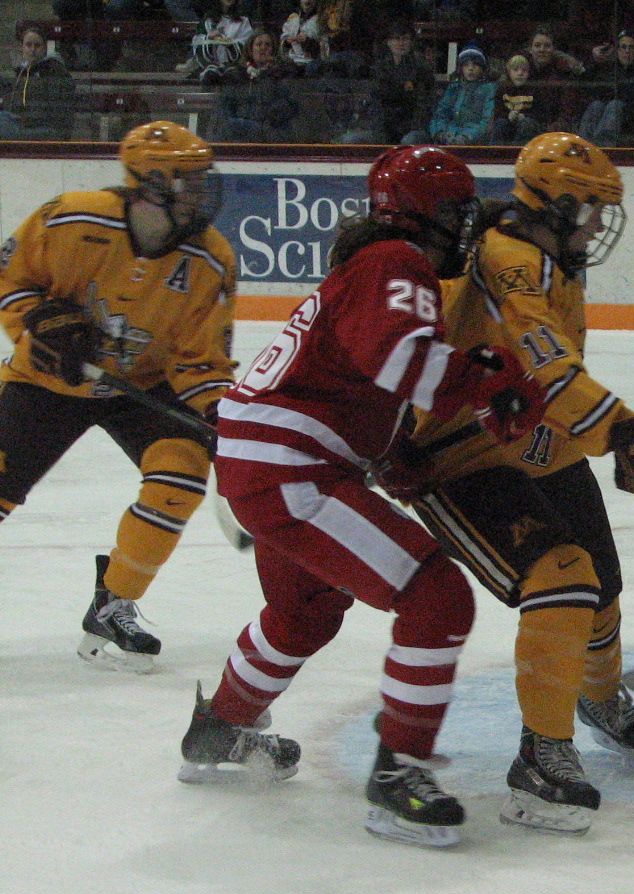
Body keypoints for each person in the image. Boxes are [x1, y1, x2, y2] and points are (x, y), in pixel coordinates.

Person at [178, 145, 549, 849]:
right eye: (454, 211)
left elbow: (355, 372)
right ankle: (397, 776)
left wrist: (390, 449)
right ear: (417, 215)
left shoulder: (371, 266)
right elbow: (398, 359)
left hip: (266, 459)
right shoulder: (396, 262)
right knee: (437, 597)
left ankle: (220, 728)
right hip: (292, 466)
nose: (463, 225)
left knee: (304, 614)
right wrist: (484, 382)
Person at [382, 132, 634, 835]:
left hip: (530, 437)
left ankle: (598, 697)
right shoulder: (511, 259)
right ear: (562, 204)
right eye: (593, 212)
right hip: (464, 452)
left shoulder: (552, 256)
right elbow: (545, 368)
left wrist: (605, 434)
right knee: (563, 579)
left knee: (602, 587)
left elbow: (550, 385)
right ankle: (541, 757)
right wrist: (620, 432)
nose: (600, 226)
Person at [0, 121, 233, 673]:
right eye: (190, 181)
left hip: (145, 385)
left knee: (181, 475)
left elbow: (200, 360)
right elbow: (9, 279)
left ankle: (114, 601)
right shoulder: (73, 217)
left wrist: (220, 413)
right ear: (151, 183)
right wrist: (40, 320)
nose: (204, 192)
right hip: (47, 380)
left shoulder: (211, 260)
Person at [212, 31, 301, 143]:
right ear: (251, 49)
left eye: (267, 45)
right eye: (259, 44)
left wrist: (266, 118)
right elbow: (225, 105)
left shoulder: (282, 74)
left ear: (273, 50)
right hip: (238, 131)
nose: (263, 48)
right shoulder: (237, 75)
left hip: (271, 131)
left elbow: (290, 105)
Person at [0, 23, 75, 141]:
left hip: (46, 130)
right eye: (28, 45)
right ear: (22, 48)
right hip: (22, 127)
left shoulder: (55, 71)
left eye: (37, 45)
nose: (32, 50)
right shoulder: (19, 74)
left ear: (45, 48)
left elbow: (57, 112)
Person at [411, 44, 496, 147]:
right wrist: (440, 133)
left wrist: (467, 137)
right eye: (466, 65)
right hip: (448, 137)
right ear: (460, 68)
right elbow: (440, 115)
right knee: (412, 139)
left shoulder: (490, 90)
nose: (470, 69)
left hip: (473, 142)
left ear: (482, 68)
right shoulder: (453, 88)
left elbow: (487, 122)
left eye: (475, 65)